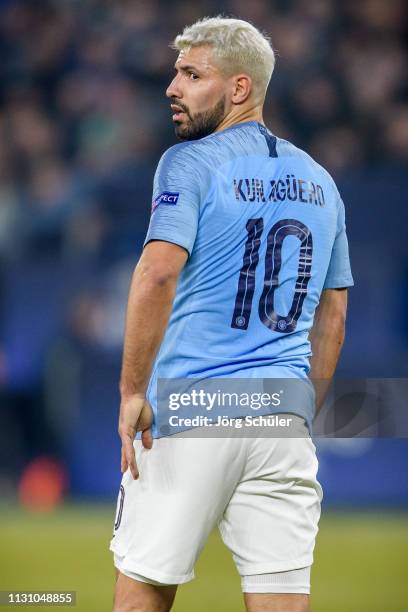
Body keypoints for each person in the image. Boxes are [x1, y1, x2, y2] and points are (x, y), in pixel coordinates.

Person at [109, 16, 353, 612]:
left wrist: (132, 390)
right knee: (280, 600)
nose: (173, 86)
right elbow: (334, 312)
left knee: (143, 590)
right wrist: (300, 407)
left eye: (192, 74)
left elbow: (157, 273)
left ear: (239, 88)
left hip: (192, 406)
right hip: (282, 417)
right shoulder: (322, 182)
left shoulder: (187, 164)